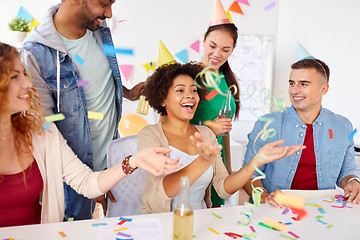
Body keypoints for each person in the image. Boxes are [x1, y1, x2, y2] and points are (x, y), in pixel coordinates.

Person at [0, 42, 181, 227]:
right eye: (15, 76)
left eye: (24, 73)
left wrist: (134, 161)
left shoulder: (42, 132)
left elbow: (86, 182)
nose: (28, 83)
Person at [21, 1, 144, 220]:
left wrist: (129, 93)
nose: (109, 13)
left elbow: (95, 80)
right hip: (72, 177)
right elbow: (46, 129)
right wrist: (89, 182)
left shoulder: (99, 30)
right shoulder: (36, 54)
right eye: (104, 3)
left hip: (111, 161)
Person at [137, 62, 304, 214]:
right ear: (162, 98)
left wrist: (257, 161)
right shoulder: (150, 134)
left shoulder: (206, 134)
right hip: (160, 222)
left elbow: (223, 188)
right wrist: (202, 161)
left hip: (200, 220)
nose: (190, 95)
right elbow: (163, 189)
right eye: (180, 90)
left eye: (194, 90)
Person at [242, 58, 360, 207]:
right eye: (292, 83)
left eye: (303, 84)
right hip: (276, 210)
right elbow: (248, 176)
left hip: (322, 211)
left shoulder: (343, 126)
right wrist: (265, 197)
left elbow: (347, 171)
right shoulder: (267, 124)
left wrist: (352, 182)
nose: (294, 90)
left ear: (323, 89)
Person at [190, 0, 240, 206]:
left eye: (226, 49)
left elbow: (225, 132)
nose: (217, 54)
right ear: (203, 41)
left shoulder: (228, 81)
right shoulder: (188, 78)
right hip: (192, 161)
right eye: (212, 46)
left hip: (217, 165)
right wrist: (211, 126)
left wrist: (227, 171)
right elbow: (170, 125)